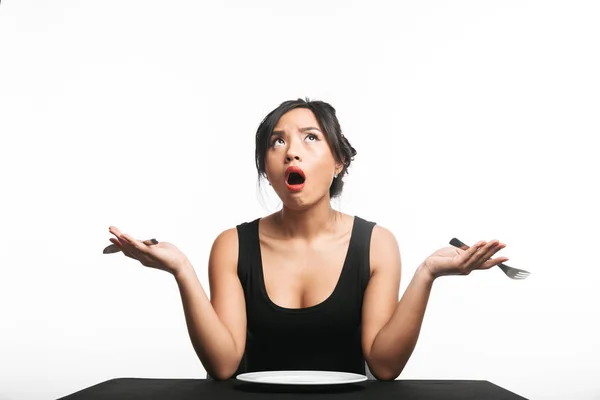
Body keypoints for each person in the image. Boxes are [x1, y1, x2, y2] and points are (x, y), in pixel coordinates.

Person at [107, 98, 508, 381]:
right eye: (277, 141)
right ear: (266, 168)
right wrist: (182, 271)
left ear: (339, 162)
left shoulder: (376, 243)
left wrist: (427, 274)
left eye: (310, 138)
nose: (291, 152)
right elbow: (224, 365)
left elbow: (385, 367)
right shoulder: (231, 245)